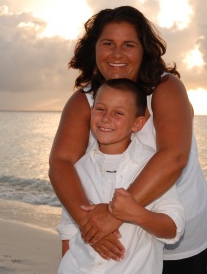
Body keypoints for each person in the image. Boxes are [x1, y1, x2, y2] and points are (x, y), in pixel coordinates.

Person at [49, 5, 207, 274]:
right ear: (94, 48)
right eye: (108, 43)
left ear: (143, 50)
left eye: (128, 45)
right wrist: (89, 225)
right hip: (116, 253)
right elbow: (61, 163)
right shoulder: (85, 100)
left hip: (177, 241)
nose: (117, 53)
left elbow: (174, 156)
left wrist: (112, 215)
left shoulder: (165, 88)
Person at [56, 78, 185, 274]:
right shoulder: (79, 168)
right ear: (90, 113)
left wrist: (138, 214)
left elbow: (174, 228)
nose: (106, 118)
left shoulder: (151, 168)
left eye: (118, 113)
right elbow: (68, 232)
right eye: (100, 109)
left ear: (137, 123)